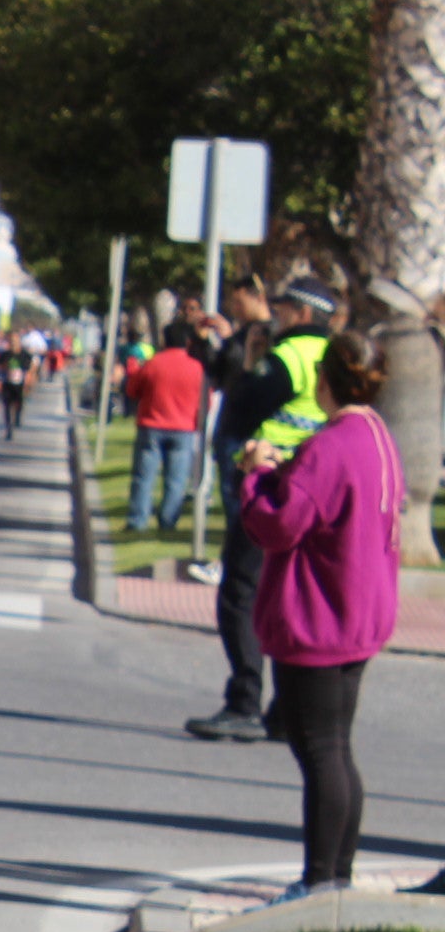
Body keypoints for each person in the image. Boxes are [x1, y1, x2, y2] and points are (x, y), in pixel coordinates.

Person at [237, 329, 401, 897]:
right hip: (359, 612)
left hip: (319, 615)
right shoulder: (378, 435)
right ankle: (337, 876)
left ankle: (320, 882)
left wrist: (256, 474)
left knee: (320, 751)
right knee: (336, 747)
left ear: (323, 380)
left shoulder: (330, 444)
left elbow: (278, 524)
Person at [191, 278, 335, 742]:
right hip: (315, 489)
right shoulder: (333, 356)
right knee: (286, 597)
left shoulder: (291, 355)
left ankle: (244, 702)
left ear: (304, 314)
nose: (277, 314)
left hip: (271, 484)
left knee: (240, 591)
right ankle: (284, 711)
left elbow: (244, 402)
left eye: (285, 307)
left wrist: (250, 366)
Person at [124, 327, 207, 533]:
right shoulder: (197, 368)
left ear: (164, 341)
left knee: (143, 477)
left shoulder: (153, 363)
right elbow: (206, 401)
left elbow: (132, 389)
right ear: (187, 343)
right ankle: (168, 522)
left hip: (151, 426)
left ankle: (138, 520)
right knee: (176, 480)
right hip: (184, 429)